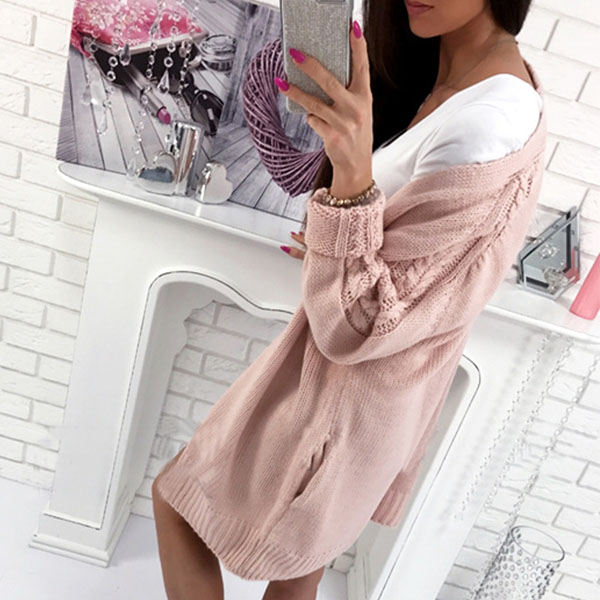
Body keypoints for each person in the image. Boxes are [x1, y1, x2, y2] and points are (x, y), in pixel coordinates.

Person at [152, 1, 544, 599]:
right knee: (296, 575)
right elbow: (410, 274)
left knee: (176, 501)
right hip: (372, 408)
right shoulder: (471, 81)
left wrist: (351, 181)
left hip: (337, 406)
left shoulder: (488, 121)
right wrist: (333, 242)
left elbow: (360, 323)